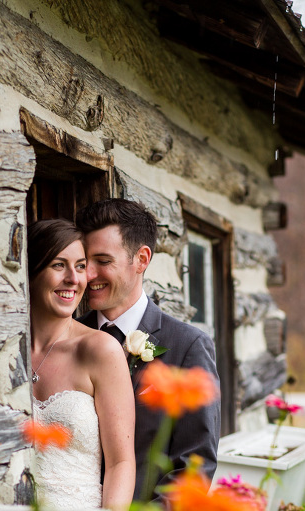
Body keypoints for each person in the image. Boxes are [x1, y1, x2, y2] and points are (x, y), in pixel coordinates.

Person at [75, 198, 221, 499]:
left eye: (103, 261)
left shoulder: (188, 346)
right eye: (83, 262)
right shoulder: (70, 339)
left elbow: (193, 469)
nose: (88, 275)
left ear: (141, 259)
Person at [27, 218, 136, 511]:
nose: (74, 279)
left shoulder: (100, 350)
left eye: (79, 266)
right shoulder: (4, 352)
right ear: (31, 272)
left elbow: (121, 463)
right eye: (58, 265)